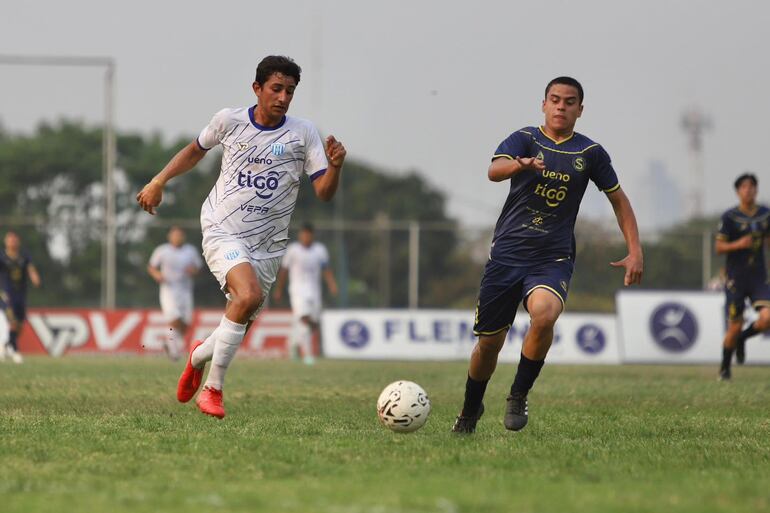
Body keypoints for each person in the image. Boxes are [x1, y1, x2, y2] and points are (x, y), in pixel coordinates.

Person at [136, 55, 346, 419]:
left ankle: (198, 355)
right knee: (247, 295)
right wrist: (159, 181)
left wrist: (337, 167)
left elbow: (324, 192)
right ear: (257, 88)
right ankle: (213, 389)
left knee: (243, 315)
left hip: (269, 246)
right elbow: (193, 152)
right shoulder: (229, 121)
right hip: (223, 229)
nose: (283, 97)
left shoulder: (303, 132)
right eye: (276, 89)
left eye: (290, 91)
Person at [452, 77, 643, 434]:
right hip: (507, 255)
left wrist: (635, 251)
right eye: (554, 100)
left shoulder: (591, 153)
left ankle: (518, 394)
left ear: (580, 110)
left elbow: (619, 200)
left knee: (545, 314)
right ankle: (469, 409)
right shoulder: (525, 138)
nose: (561, 107)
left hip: (551, 257)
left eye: (569, 102)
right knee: (489, 344)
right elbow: (494, 171)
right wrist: (520, 165)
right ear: (543, 104)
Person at [716, 173, 770, 380]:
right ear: (738, 191)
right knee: (734, 325)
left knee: (767, 317)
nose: (748, 190)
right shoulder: (730, 217)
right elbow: (719, 247)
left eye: (752, 187)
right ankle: (724, 369)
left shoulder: (765, 214)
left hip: (758, 278)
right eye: (744, 187)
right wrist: (738, 244)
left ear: (756, 190)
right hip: (735, 279)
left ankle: (742, 339)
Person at [273, 223, 338, 364]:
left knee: (312, 322)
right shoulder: (293, 250)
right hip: (297, 290)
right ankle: (308, 355)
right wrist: (279, 289)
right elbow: (284, 271)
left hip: (314, 291)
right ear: (300, 235)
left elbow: (326, 269)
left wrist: (332, 284)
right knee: (304, 319)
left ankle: (292, 343)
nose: (306, 237)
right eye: (304, 234)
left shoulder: (320, 250)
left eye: (309, 234)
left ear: (312, 235)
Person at [148, 226, 203, 360]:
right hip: (168, 290)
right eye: (175, 235)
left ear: (183, 237)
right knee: (174, 318)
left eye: (180, 235)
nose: (177, 238)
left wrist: (193, 271)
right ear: (170, 237)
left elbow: (198, 268)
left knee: (185, 323)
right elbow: (152, 266)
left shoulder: (190, 251)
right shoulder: (162, 251)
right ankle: (173, 348)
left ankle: (171, 343)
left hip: (185, 291)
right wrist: (157, 275)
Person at [0, 231, 41, 364]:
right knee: (12, 322)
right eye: (9, 239)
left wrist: (34, 277)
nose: (12, 242)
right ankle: (16, 351)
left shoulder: (24, 256)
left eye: (14, 239)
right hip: (5, 294)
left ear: (18, 241)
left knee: (20, 325)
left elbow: (31, 269)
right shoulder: (1, 256)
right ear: (5, 241)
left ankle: (6, 345)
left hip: (20, 295)